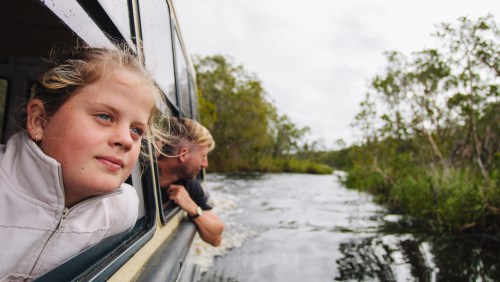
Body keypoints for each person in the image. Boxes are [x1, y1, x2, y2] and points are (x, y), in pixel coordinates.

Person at [0, 45, 167, 281]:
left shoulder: (124, 209)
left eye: (136, 130)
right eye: (105, 116)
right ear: (39, 121)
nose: (126, 140)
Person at [156, 117, 224, 247]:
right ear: (183, 155)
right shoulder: (139, 175)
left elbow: (216, 238)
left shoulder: (188, 184)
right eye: (203, 157)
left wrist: (192, 208)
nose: (206, 164)